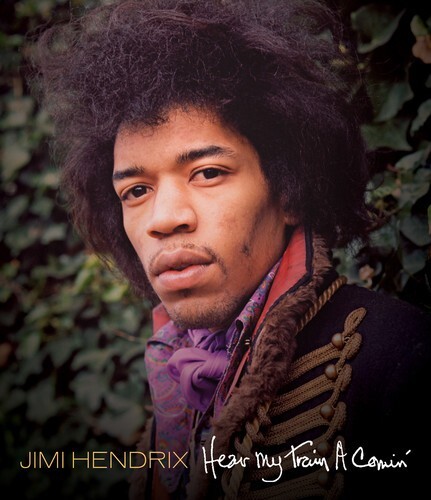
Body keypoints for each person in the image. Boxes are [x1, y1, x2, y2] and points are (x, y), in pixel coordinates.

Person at [32, 0, 430, 498]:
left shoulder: (405, 360)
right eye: (135, 190)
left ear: (289, 190)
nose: (163, 219)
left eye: (207, 173)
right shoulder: (175, 385)